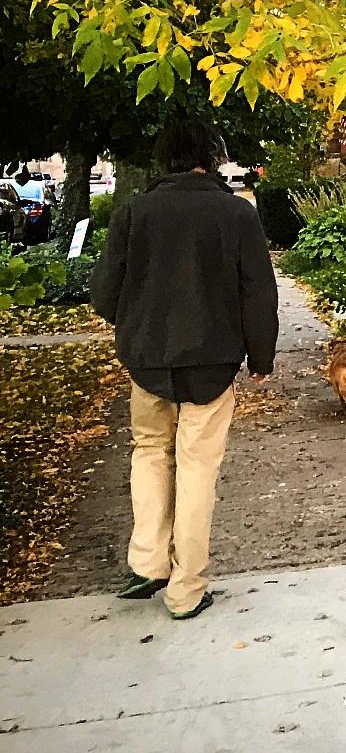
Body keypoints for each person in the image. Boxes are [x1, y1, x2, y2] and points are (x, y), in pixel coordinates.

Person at [90, 119, 279, 619]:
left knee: (149, 452)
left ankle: (149, 561)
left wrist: (136, 325)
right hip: (213, 363)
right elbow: (258, 293)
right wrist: (260, 356)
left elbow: (104, 294)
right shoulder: (236, 214)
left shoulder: (133, 213)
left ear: (163, 159)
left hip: (147, 361)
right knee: (197, 467)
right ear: (212, 157)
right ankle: (186, 588)